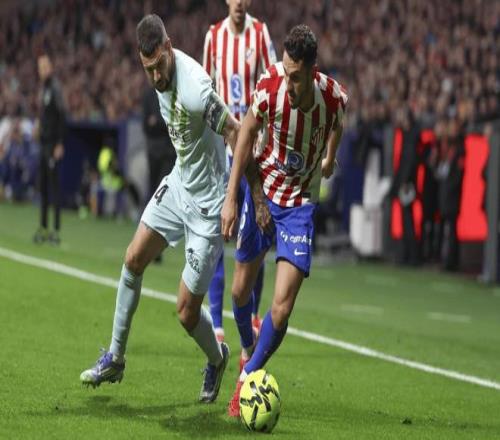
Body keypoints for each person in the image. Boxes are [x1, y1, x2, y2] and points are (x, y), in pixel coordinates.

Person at [80, 14, 240, 404]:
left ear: (169, 47)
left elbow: (237, 131)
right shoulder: (159, 77)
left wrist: (233, 197)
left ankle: (217, 358)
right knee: (133, 259)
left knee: (186, 312)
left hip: (209, 206)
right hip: (180, 184)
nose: (155, 76)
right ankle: (115, 358)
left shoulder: (195, 88)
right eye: (147, 68)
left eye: (159, 65)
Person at [220, 24, 347, 416]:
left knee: (281, 308)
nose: (288, 83)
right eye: (286, 72)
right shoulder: (270, 86)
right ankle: (247, 349)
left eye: (295, 77)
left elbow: (338, 123)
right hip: (264, 194)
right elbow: (245, 135)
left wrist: (329, 157)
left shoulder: (332, 96)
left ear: (311, 71)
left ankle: (247, 378)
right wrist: (233, 196)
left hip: (299, 207)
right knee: (239, 293)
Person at [202, 0, 276, 353]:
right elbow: (204, 90)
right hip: (222, 154)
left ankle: (255, 314)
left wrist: (267, 141)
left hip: (253, 155)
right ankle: (217, 323)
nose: (241, 2)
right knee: (219, 234)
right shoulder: (213, 36)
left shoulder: (260, 34)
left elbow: (274, 85)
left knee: (255, 233)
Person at [33, 54, 66, 245]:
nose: (42, 70)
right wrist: (39, 126)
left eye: (44, 67)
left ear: (50, 68)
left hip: (53, 144)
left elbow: (62, 115)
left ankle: (56, 230)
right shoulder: (44, 88)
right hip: (43, 143)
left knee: (54, 188)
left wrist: (60, 143)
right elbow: (45, 114)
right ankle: (43, 227)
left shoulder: (55, 88)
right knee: (44, 187)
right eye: (40, 67)